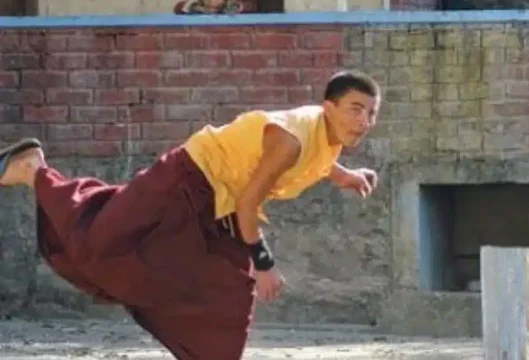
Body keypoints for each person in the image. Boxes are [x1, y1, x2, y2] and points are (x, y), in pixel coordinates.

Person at [0, 70, 382, 360]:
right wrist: (263, 262)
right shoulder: (291, 139)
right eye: (355, 109)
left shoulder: (327, 136)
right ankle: (34, 169)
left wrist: (345, 175)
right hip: (188, 177)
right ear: (328, 106)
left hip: (221, 209)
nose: (364, 121)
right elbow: (252, 202)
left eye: (371, 113)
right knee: (102, 241)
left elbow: (318, 159)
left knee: (223, 293)